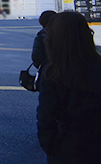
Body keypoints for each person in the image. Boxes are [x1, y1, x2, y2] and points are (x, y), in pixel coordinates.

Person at [37, 12, 101, 163]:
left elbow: (46, 117)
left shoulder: (53, 73)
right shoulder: (97, 66)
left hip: (69, 147)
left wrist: (52, 149)